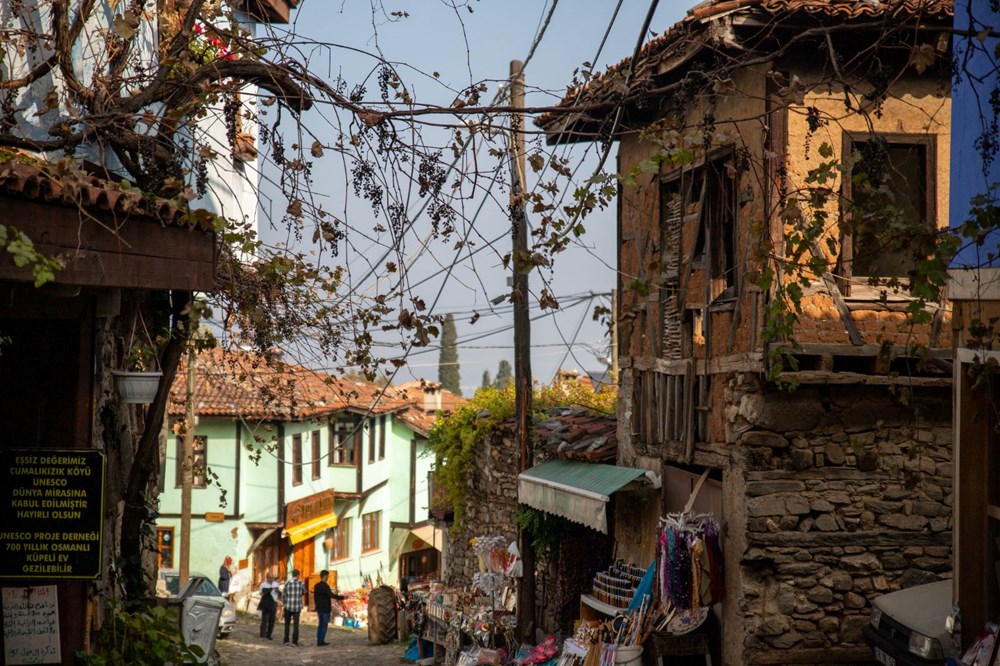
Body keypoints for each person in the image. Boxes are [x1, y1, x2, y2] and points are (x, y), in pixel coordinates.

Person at [282, 569, 307, 646]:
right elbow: (305, 592)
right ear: (298, 575)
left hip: (288, 606)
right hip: (297, 607)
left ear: (292, 575)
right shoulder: (301, 583)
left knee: (287, 624)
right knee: (296, 625)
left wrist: (285, 603)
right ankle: (294, 642)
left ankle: (286, 640)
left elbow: (283, 595)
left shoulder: (287, 583)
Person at [312, 570, 334, 646]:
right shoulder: (325, 586)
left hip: (319, 608)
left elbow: (315, 598)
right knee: (324, 625)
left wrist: (316, 607)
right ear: (325, 576)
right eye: (327, 576)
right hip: (326, 608)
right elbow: (331, 595)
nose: (328, 577)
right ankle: (321, 641)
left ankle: (319, 640)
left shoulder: (316, 586)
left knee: (320, 624)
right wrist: (342, 597)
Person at [258, 572, 280, 639]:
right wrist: (266, 591)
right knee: (265, 619)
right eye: (270, 578)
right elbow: (261, 594)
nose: (271, 579)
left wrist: (277, 591)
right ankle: (263, 633)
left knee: (272, 619)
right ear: (267, 578)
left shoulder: (276, 584)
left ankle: (269, 634)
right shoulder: (263, 584)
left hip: (273, 603)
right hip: (266, 603)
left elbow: (279, 594)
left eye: (272, 578)